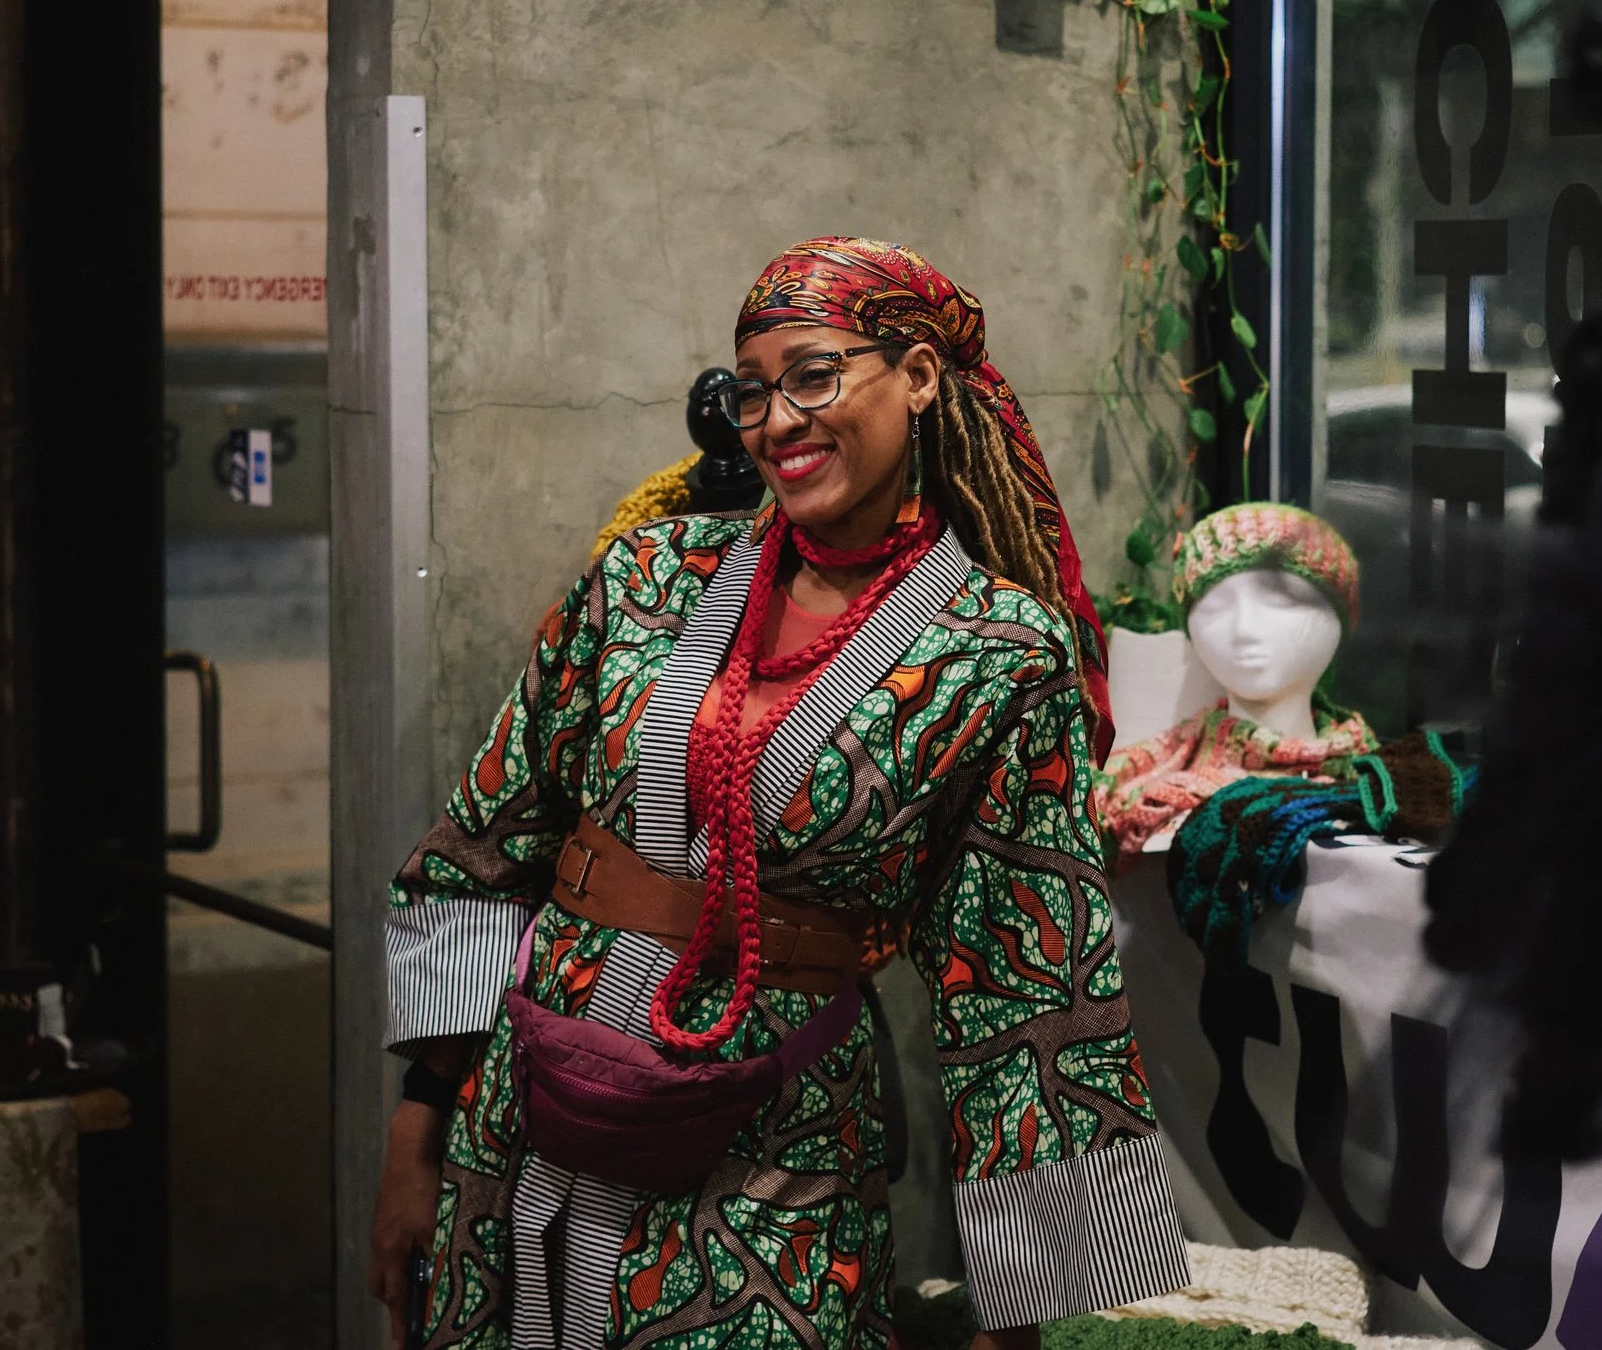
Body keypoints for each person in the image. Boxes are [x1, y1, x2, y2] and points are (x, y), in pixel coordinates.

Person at [370, 238, 1189, 1350]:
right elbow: (489, 837)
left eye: (814, 375)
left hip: (772, 1161)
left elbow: (1026, 987)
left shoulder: (997, 650)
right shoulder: (650, 576)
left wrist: (1017, 1320)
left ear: (918, 375)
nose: (777, 421)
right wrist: (414, 1138)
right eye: (754, 391)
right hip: (524, 1127)